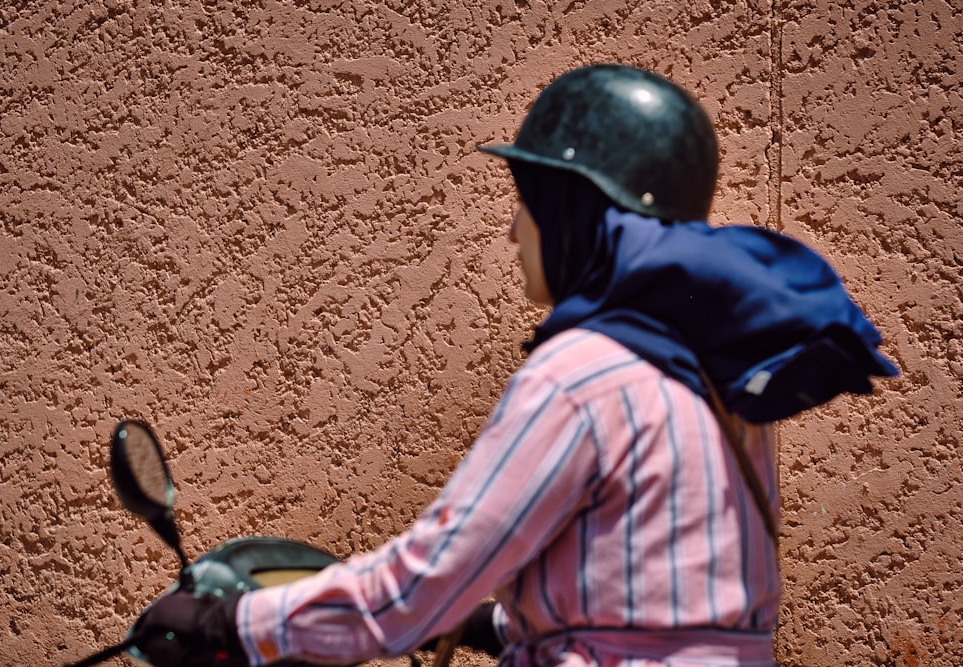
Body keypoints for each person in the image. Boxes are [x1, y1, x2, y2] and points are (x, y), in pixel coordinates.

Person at [134, 64, 897, 667]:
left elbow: (410, 592)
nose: (510, 230)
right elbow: (664, 599)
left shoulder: (580, 373)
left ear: (575, 212)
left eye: (526, 200)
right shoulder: (709, 374)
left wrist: (231, 619)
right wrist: (498, 623)